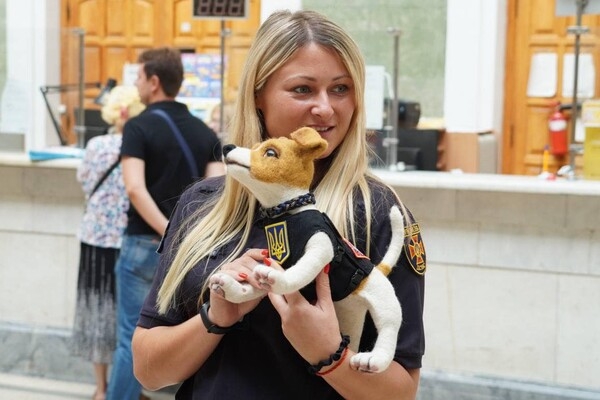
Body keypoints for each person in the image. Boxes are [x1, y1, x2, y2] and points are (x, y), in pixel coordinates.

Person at [132, 10, 426, 400]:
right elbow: (148, 371)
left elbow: (401, 392)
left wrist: (329, 355)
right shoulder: (202, 206)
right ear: (259, 96)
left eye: (340, 89)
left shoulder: (378, 214)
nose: (325, 108)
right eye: (303, 89)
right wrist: (215, 317)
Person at [106, 47, 225, 400]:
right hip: (189, 254)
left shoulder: (138, 126)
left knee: (131, 338)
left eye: (139, 77)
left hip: (144, 244)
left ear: (154, 82)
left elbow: (134, 188)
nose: (136, 85)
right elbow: (214, 195)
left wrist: (166, 234)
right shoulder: (204, 132)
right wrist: (182, 241)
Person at [72, 85, 145, 400]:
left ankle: (101, 389)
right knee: (129, 318)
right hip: (127, 240)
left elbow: (84, 180)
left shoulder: (96, 145)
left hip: (94, 240)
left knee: (97, 312)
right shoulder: (142, 145)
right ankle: (126, 387)